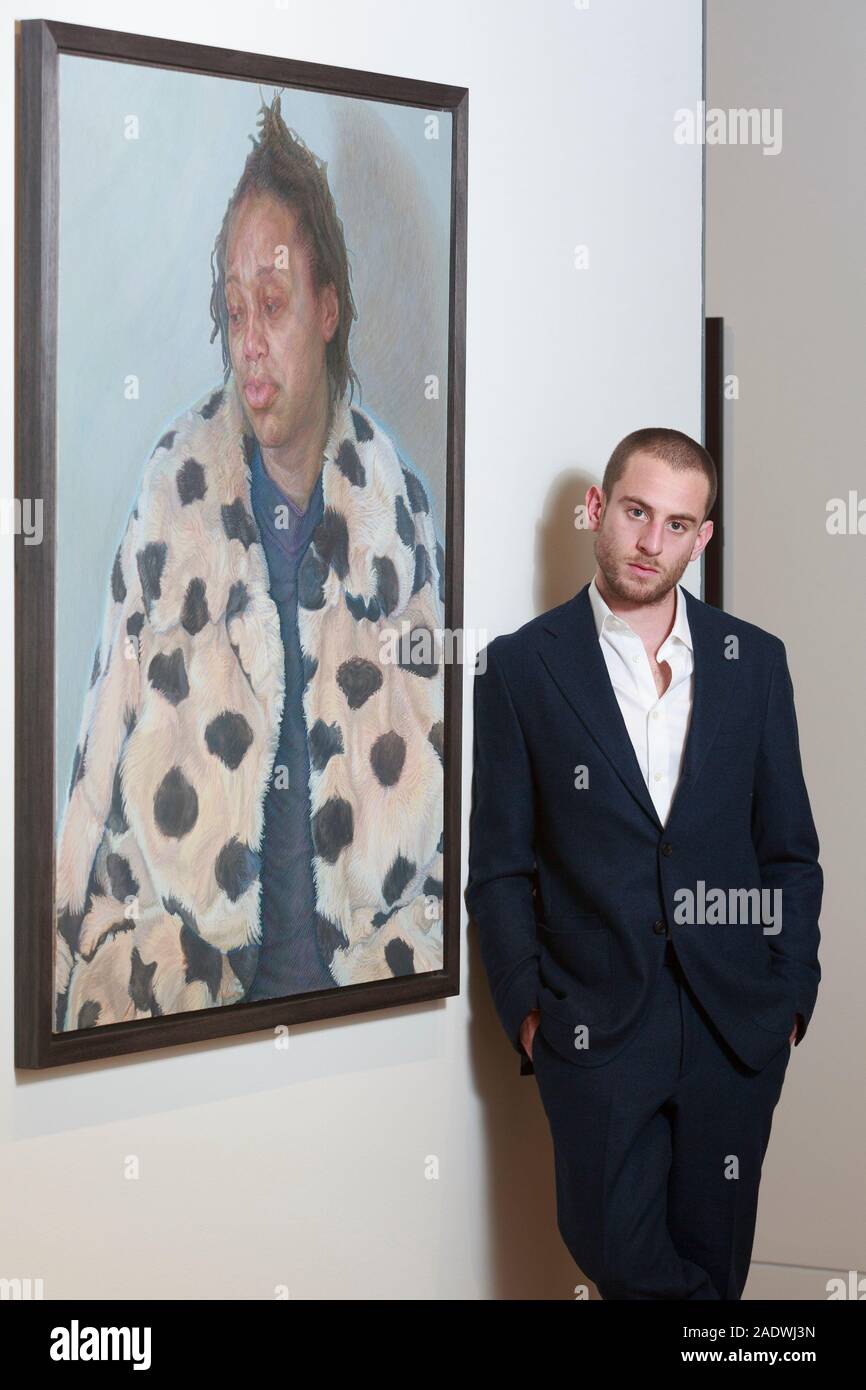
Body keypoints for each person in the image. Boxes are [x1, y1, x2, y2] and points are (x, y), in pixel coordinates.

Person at [54, 94, 445, 1031]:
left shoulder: (397, 508)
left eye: (272, 305)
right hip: (187, 1010)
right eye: (234, 310)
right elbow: (95, 760)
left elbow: (446, 767)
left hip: (370, 1012)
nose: (250, 340)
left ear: (327, 310)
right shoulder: (170, 491)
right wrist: (82, 948)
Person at [464, 428, 822, 1300]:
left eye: (677, 523)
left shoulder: (756, 664)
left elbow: (790, 853)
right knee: (617, 1250)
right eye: (635, 511)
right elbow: (499, 868)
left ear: (703, 539)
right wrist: (530, 1019)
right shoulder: (521, 669)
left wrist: (788, 1001)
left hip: (736, 1029)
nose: (650, 541)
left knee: (716, 1264)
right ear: (599, 511)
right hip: (595, 1031)